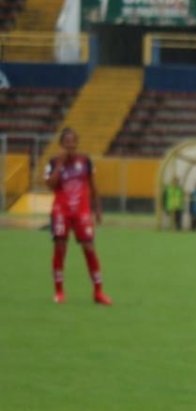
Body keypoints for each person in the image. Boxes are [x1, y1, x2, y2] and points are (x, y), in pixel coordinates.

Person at [45, 127, 110, 305]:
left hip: (82, 212)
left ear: (77, 143)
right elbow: (50, 185)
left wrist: (98, 209)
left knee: (89, 248)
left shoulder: (85, 161)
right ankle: (59, 291)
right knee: (60, 248)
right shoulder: (53, 162)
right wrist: (59, 165)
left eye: (73, 142)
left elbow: (93, 186)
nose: (70, 145)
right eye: (67, 142)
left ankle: (98, 292)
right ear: (61, 144)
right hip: (61, 211)